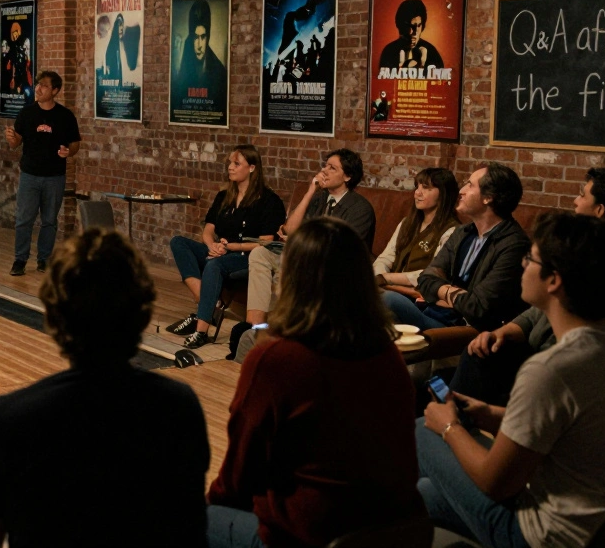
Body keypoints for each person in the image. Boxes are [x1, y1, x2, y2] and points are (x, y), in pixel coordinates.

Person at [0, 229, 210, 548]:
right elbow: (189, 530)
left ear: (55, 317)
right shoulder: (180, 406)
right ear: (141, 311)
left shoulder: (5, 419)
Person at [417, 213, 605, 548]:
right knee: (423, 494)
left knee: (422, 426)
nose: (523, 266)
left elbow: (497, 484)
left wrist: (450, 428)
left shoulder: (552, 369)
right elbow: (577, 428)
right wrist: (491, 414)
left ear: (554, 280)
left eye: (530, 258)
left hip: (553, 535)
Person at [207, 218, 425, 548]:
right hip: (395, 529)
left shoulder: (278, 360)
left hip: (311, 534)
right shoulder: (388, 353)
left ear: (294, 279)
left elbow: (237, 480)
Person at [452, 167, 605, 405]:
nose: (575, 202)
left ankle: (455, 426)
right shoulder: (590, 250)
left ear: (599, 211)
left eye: (582, 195)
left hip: (589, 380)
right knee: (480, 352)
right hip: (547, 354)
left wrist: (546, 363)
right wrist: (504, 331)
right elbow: (544, 307)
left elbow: (596, 345)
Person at [167, 145, 287, 349]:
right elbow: (208, 229)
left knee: (215, 265)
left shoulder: (269, 201)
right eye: (230, 163)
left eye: (236, 163)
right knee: (178, 242)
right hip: (221, 250)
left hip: (246, 255)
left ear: (252, 168)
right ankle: (206, 299)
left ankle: (201, 331)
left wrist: (230, 245)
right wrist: (212, 245)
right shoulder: (224, 196)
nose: (230, 167)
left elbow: (265, 242)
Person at [242, 148, 376, 320]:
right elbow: (289, 229)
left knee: (291, 270)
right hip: (306, 256)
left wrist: (305, 242)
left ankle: (284, 326)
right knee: (260, 254)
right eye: (325, 166)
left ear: (347, 177)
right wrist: (310, 191)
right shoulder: (318, 198)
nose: (324, 171)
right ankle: (254, 325)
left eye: (332, 168)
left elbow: (343, 249)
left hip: (335, 266)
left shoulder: (360, 208)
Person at [398, 162, 530, 332]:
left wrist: (442, 293)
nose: (461, 191)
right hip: (435, 314)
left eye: (470, 185)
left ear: (488, 197)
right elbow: (425, 279)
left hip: (466, 329)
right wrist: (452, 293)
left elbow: (478, 306)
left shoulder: (514, 245)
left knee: (388, 301)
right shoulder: (464, 232)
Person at [5, 71, 80, 276]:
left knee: (49, 220)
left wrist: (69, 152)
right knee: (24, 219)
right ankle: (20, 259)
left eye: (44, 86)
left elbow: (75, 144)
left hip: (55, 176)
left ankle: (44, 259)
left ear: (55, 91)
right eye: (38, 85)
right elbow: (15, 143)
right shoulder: (27, 114)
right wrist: (11, 137)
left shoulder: (65, 116)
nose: (38, 88)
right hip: (29, 175)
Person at [376, 167, 462, 323]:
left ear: (443, 194)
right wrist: (377, 277)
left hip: (418, 301)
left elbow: (430, 275)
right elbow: (385, 257)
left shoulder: (452, 230)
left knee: (385, 300)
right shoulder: (406, 223)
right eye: (417, 187)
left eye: (426, 188)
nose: (417, 193)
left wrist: (385, 279)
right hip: (392, 289)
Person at [171, 0, 227, 115]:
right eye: (195, 37)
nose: (199, 45)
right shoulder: (184, 66)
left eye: (203, 37)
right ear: (191, 38)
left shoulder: (220, 74)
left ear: (208, 37)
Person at [377, 0, 445, 71]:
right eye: (409, 26)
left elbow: (440, 81)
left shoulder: (431, 53)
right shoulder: (389, 52)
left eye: (418, 26)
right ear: (400, 25)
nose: (414, 32)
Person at [1, 20, 32, 99]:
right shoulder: (12, 45)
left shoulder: (23, 41)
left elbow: (27, 58)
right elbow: (11, 61)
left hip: (22, 72)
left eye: (15, 33)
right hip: (15, 73)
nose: (14, 36)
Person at [102, 13, 125, 83]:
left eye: (122, 25)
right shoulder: (112, 45)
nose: (121, 28)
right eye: (119, 25)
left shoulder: (121, 44)